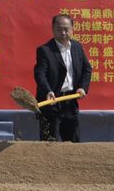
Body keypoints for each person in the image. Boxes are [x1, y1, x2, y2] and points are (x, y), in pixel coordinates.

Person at [34, 14, 92, 142]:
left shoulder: (77, 47)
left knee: (73, 142)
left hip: (70, 100)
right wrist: (48, 91)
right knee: (49, 143)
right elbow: (40, 74)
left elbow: (87, 69)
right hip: (51, 102)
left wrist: (83, 87)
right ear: (53, 29)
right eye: (59, 29)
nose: (63, 33)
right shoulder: (45, 50)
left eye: (66, 29)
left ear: (72, 29)